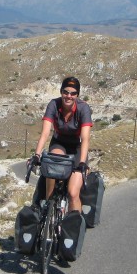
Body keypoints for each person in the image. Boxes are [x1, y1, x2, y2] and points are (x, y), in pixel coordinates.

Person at [29, 76, 93, 214]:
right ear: (61, 92)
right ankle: (48, 209)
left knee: (73, 193)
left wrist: (82, 162)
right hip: (59, 143)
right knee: (52, 165)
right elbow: (45, 133)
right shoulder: (53, 104)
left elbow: (85, 138)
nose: (68, 96)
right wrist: (37, 155)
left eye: (73, 93)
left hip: (77, 146)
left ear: (77, 95)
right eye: (65, 92)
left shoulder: (83, 109)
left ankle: (73, 228)